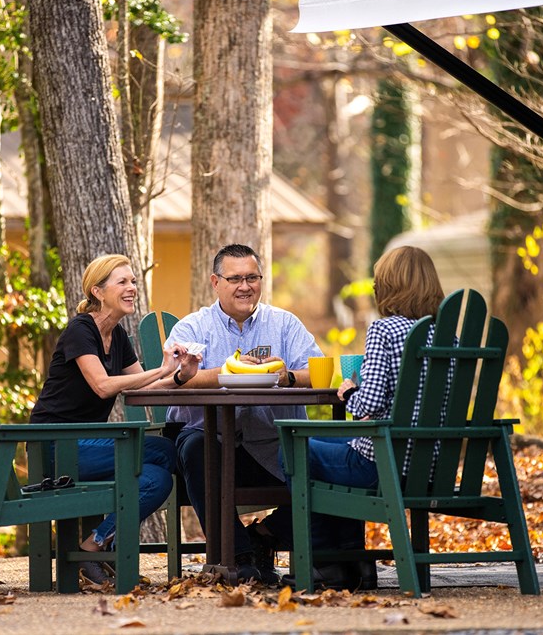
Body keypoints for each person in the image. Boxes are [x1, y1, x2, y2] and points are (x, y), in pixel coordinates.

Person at [281, 245, 446, 591]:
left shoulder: (384, 331)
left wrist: (350, 388)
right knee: (324, 441)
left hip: (385, 464)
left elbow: (366, 407)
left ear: (388, 286)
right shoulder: (448, 336)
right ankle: (355, 561)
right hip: (431, 466)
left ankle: (328, 562)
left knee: (295, 449)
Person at [30, 254, 201, 585]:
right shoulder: (81, 330)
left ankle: (94, 544)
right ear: (97, 291)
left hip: (86, 446)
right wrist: (163, 369)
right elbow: (103, 385)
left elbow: (149, 384)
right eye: (122, 282)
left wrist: (180, 375)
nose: (132, 288)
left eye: (133, 281)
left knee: (157, 478)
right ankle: (101, 548)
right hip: (55, 446)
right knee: (165, 452)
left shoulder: (117, 336)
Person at [166, 244, 323, 583]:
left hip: (273, 447)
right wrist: (227, 372)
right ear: (215, 282)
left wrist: (287, 375)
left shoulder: (284, 324)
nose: (245, 286)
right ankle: (238, 556)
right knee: (194, 447)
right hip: (213, 448)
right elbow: (174, 379)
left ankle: (265, 536)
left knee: (331, 458)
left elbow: (320, 371)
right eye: (234, 278)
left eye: (252, 277)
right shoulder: (191, 329)